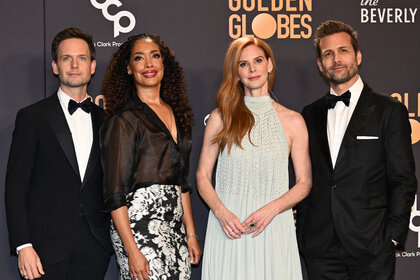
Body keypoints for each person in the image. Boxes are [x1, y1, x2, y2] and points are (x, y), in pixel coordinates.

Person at [298, 20, 417, 279]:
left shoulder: (389, 110)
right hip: (320, 248)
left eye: (343, 51)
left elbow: (403, 179)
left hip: (372, 247)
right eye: (328, 54)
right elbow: (304, 178)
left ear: (358, 56)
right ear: (320, 64)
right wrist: (304, 236)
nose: (336, 59)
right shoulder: (309, 114)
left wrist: (393, 238)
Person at [196, 36, 312, 279]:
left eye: (258, 61)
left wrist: (272, 209)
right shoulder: (220, 118)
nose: (252, 69)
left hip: (273, 226)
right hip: (229, 228)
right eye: (243, 64)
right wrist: (221, 212)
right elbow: (203, 175)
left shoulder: (293, 121)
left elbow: (304, 182)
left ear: (269, 65)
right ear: (236, 73)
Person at [5, 27, 113, 280]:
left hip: (96, 246)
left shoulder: (107, 120)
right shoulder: (32, 117)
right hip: (44, 249)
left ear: (93, 66)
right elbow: (15, 188)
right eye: (67, 58)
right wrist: (23, 245)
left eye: (82, 58)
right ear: (55, 66)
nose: (75, 65)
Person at [100, 33, 202, 280]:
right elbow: (115, 194)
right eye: (139, 58)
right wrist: (132, 250)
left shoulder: (178, 115)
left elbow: (182, 183)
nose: (148, 64)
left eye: (155, 56)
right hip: (138, 228)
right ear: (128, 68)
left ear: (164, 64)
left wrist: (190, 234)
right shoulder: (123, 120)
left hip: (174, 228)